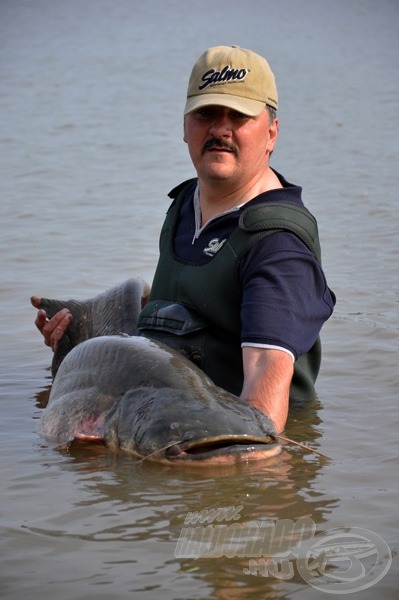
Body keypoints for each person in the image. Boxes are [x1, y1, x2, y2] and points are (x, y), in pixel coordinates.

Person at [34, 45, 335, 434]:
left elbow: (264, 375)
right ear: (185, 126)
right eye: (207, 114)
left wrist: (253, 468)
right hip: (163, 419)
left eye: (239, 116)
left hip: (218, 437)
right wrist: (83, 348)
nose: (220, 130)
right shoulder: (184, 204)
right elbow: (175, 320)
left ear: (271, 132)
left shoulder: (277, 245)